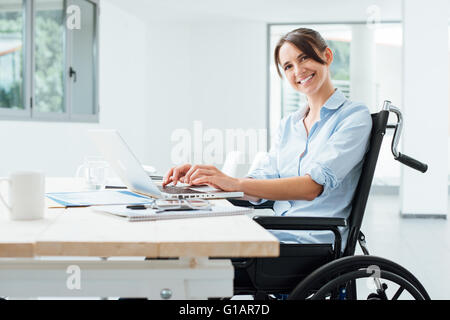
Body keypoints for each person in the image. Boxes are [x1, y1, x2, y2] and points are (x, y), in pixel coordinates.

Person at [162, 27, 372, 250]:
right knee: (178, 240)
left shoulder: (354, 117)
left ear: (327, 56)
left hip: (309, 244)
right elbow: (266, 177)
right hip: (274, 233)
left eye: (305, 58)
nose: (298, 71)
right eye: (288, 66)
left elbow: (311, 188)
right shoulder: (289, 124)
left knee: (188, 251)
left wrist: (233, 183)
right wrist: (208, 183)